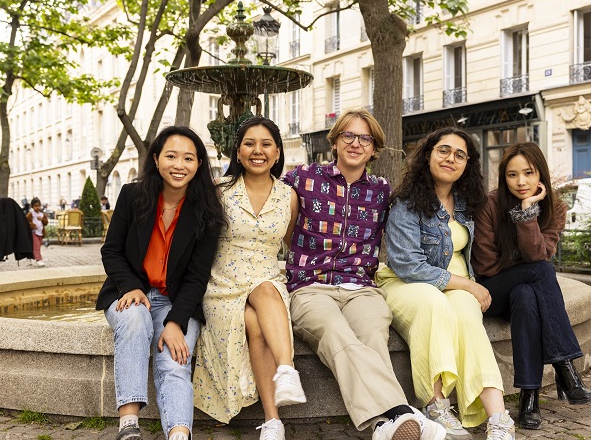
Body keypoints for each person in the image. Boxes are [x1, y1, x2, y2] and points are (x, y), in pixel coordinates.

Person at [282, 108, 445, 440]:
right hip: (310, 286)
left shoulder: (382, 191)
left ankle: (385, 427)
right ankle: (401, 412)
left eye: (365, 138)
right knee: (334, 331)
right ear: (336, 141)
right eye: (348, 135)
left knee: (373, 332)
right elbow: (267, 208)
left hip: (361, 286)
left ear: (374, 148)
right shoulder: (302, 178)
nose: (356, 143)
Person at [374, 127, 514, 440]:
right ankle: (436, 405)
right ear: (428, 155)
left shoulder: (468, 203)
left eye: (459, 155)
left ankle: (499, 417)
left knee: (466, 314)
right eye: (444, 150)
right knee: (433, 302)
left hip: (457, 286)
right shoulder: (406, 203)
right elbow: (408, 266)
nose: (451, 158)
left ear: (467, 165)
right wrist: (467, 285)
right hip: (406, 283)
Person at [96, 126, 226, 440]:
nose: (179, 165)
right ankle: (129, 425)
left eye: (188, 158)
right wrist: (131, 285)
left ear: (198, 165)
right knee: (136, 319)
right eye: (171, 156)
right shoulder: (132, 195)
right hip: (128, 293)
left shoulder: (207, 212)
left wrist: (175, 321)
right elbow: (111, 251)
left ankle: (180, 434)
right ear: (156, 160)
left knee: (175, 358)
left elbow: (197, 277)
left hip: (177, 300)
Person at [472, 142, 591, 430]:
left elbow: (540, 254)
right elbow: (487, 266)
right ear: (504, 178)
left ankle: (529, 398)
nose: (521, 182)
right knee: (539, 273)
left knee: (527, 295)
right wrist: (525, 264)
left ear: (540, 172)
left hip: (520, 292)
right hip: (492, 290)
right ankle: (566, 371)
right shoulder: (489, 205)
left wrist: (528, 213)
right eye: (512, 175)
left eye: (528, 173)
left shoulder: (554, 208)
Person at [193, 117, 304, 439]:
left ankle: (274, 419)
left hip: (267, 279)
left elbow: (289, 245)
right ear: (238, 152)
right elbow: (199, 243)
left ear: (278, 152)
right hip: (223, 285)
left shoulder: (289, 196)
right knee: (256, 318)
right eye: (250, 144)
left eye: (266, 144)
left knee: (266, 294)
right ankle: (285, 378)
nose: (258, 151)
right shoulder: (218, 191)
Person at [26, 197, 48, 267]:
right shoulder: (31, 214)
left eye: (38, 205)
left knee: (38, 247)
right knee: (36, 246)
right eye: (35, 206)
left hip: (40, 233)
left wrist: (42, 219)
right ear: (32, 206)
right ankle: (38, 259)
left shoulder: (42, 214)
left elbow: (46, 222)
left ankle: (30, 257)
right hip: (34, 233)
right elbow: (26, 222)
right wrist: (32, 225)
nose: (37, 207)